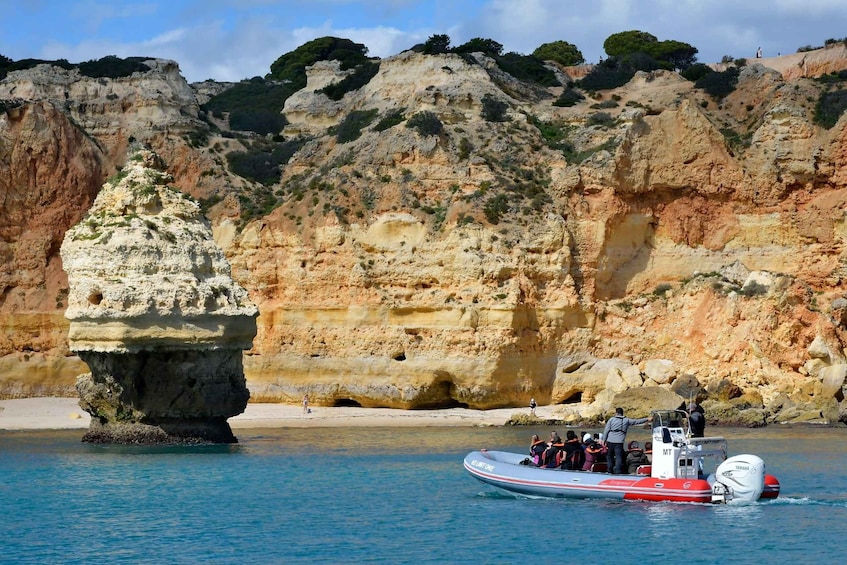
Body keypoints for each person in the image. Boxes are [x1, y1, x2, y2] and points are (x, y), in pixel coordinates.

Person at [603, 407, 649, 474]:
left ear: (616, 413)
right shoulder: (626, 420)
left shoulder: (611, 419)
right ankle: (618, 471)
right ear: (622, 413)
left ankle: (609, 470)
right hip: (619, 442)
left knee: (609, 456)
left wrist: (604, 440)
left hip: (610, 441)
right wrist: (647, 419)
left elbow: (606, 430)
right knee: (619, 457)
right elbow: (636, 421)